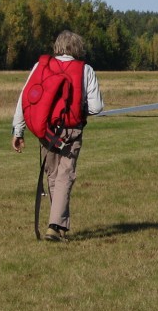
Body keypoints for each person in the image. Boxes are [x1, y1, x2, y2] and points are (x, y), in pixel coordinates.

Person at [12, 30, 104, 241]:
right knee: (65, 176)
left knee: (53, 176)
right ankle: (54, 226)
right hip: (71, 130)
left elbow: (25, 99)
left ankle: (58, 227)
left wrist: (18, 130)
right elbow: (97, 107)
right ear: (77, 48)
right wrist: (80, 109)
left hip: (46, 131)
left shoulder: (41, 67)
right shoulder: (85, 70)